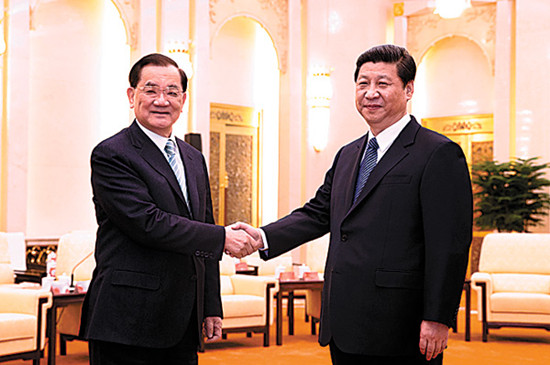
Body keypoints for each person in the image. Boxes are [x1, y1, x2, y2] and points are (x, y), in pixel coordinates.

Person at [234, 44, 473, 364]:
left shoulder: (437, 153)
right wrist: (261, 237)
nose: (370, 92)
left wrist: (438, 317)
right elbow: (318, 213)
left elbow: (449, 246)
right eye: (363, 83)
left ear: (409, 89)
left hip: (401, 327)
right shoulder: (349, 154)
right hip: (344, 322)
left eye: (383, 83)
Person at [79, 53, 256, 365]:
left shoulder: (193, 158)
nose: (162, 100)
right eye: (151, 90)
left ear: (183, 99)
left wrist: (210, 304)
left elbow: (204, 225)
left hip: (182, 320)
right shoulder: (112, 154)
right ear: (132, 96)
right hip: (127, 321)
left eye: (172, 92)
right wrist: (221, 238)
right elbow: (148, 222)